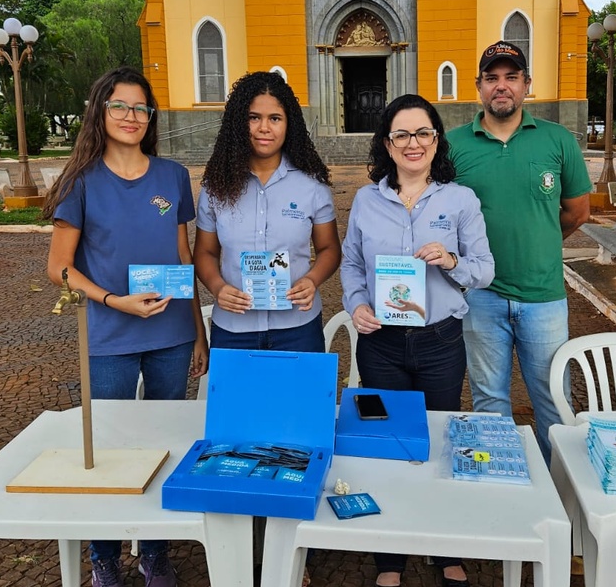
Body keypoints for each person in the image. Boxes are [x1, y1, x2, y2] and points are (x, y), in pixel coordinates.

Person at [44, 66, 208, 587]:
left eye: (140, 108)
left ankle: (154, 552)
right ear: (100, 111)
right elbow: (60, 268)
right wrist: (115, 300)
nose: (131, 117)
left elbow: (182, 254)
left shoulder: (172, 176)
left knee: (162, 443)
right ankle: (104, 557)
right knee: (109, 450)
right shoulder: (81, 181)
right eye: (120, 106)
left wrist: (197, 329)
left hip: (171, 335)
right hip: (110, 335)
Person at [341, 94, 494, 587]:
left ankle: (441, 544)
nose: (413, 143)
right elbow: (349, 263)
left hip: (440, 342)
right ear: (387, 144)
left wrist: (450, 261)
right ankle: (390, 555)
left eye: (422, 133)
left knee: (438, 441)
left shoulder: (459, 200)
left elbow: (485, 270)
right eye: (401, 134)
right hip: (381, 343)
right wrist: (356, 304)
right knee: (388, 442)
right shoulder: (367, 200)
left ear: (436, 140)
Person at [446, 41, 593, 462]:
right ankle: (502, 489)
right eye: (492, 78)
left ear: (527, 85)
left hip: (544, 296)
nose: (502, 86)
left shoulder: (556, 139)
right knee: (489, 399)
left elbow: (576, 212)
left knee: (554, 401)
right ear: (478, 87)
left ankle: (560, 490)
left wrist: (538, 242)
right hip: (480, 297)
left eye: (511, 77)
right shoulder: (455, 145)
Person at [194, 71, 340, 353]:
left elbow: (329, 248)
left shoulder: (312, 186)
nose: (264, 127)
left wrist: (312, 279)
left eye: (275, 118)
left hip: (298, 326)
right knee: (238, 400)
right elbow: (204, 252)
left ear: (289, 125)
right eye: (253, 117)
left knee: (298, 399)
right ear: (239, 123)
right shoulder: (216, 186)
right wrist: (217, 287)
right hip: (234, 329)